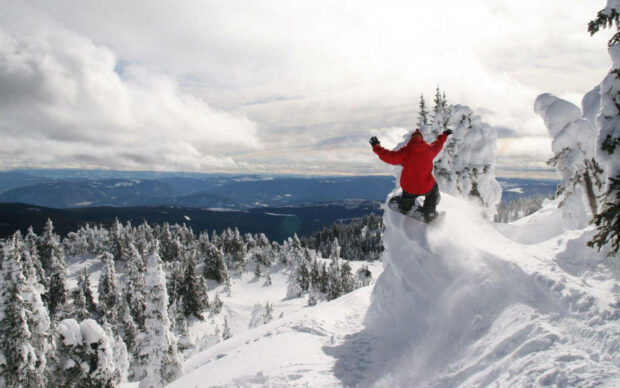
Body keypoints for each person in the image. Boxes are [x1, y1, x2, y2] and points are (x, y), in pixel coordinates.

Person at [370, 128, 452, 222]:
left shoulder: (405, 152)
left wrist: (377, 146)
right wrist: (444, 135)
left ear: (411, 139)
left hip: (410, 188)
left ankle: (405, 207)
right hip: (427, 186)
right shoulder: (429, 150)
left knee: (407, 196)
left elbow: (389, 156)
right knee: (433, 192)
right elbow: (438, 144)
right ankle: (430, 213)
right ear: (422, 139)